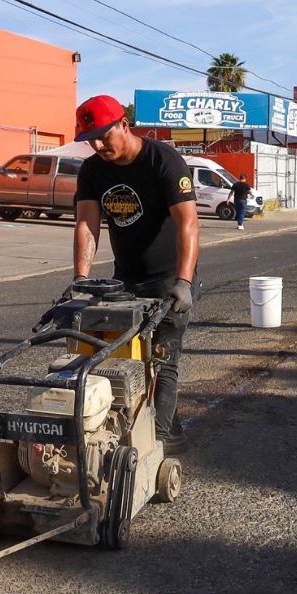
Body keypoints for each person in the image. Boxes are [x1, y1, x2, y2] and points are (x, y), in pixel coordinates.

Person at [70, 94, 199, 454]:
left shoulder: (164, 161)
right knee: (119, 357)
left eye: (103, 135)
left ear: (124, 125)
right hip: (124, 279)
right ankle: (163, 433)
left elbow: (188, 223)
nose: (97, 145)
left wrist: (184, 282)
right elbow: (86, 223)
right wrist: (81, 280)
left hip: (169, 278)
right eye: (89, 139)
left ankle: (152, 447)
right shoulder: (94, 169)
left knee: (161, 357)